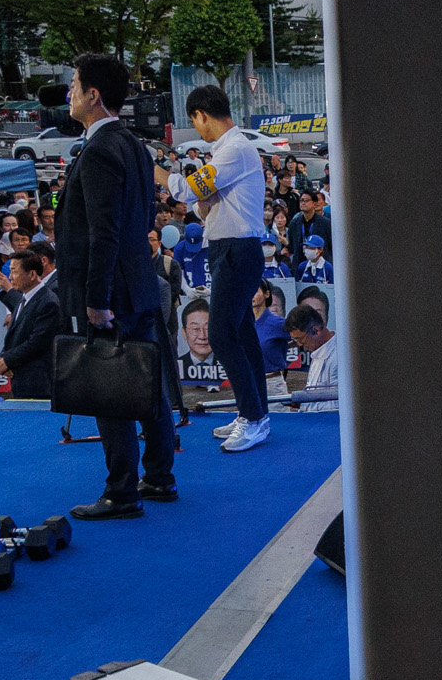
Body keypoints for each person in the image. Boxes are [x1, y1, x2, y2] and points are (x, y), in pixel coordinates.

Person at [52, 50, 174, 519]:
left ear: (93, 95)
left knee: (112, 388)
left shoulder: (101, 149)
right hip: (136, 282)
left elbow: (103, 231)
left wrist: (96, 297)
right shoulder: (133, 145)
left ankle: (121, 491)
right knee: (146, 380)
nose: (68, 94)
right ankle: (159, 477)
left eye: (73, 85)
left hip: (113, 290)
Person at [182, 83, 277, 454]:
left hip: (237, 249)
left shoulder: (235, 149)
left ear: (202, 115)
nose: (197, 129)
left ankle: (253, 418)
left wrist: (157, 173)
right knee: (241, 333)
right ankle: (255, 415)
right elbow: (201, 203)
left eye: (194, 121)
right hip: (228, 249)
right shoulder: (226, 151)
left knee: (221, 335)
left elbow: (185, 191)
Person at [0, 242, 65, 399]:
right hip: (22, 378)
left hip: (39, 383)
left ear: (32, 275)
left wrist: (8, 359)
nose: (10, 277)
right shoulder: (24, 298)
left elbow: (37, 342)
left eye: (14, 272)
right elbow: (16, 336)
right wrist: (5, 358)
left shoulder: (48, 302)